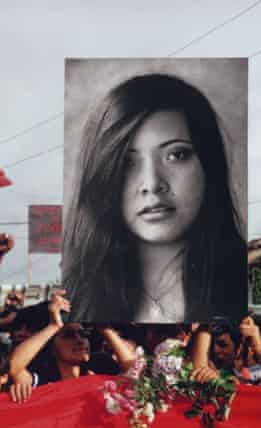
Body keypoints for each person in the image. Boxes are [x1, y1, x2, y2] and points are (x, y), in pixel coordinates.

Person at [63, 73, 245, 322]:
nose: (152, 184)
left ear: (209, 164)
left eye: (177, 155)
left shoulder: (252, 283)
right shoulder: (68, 303)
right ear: (102, 173)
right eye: (127, 162)